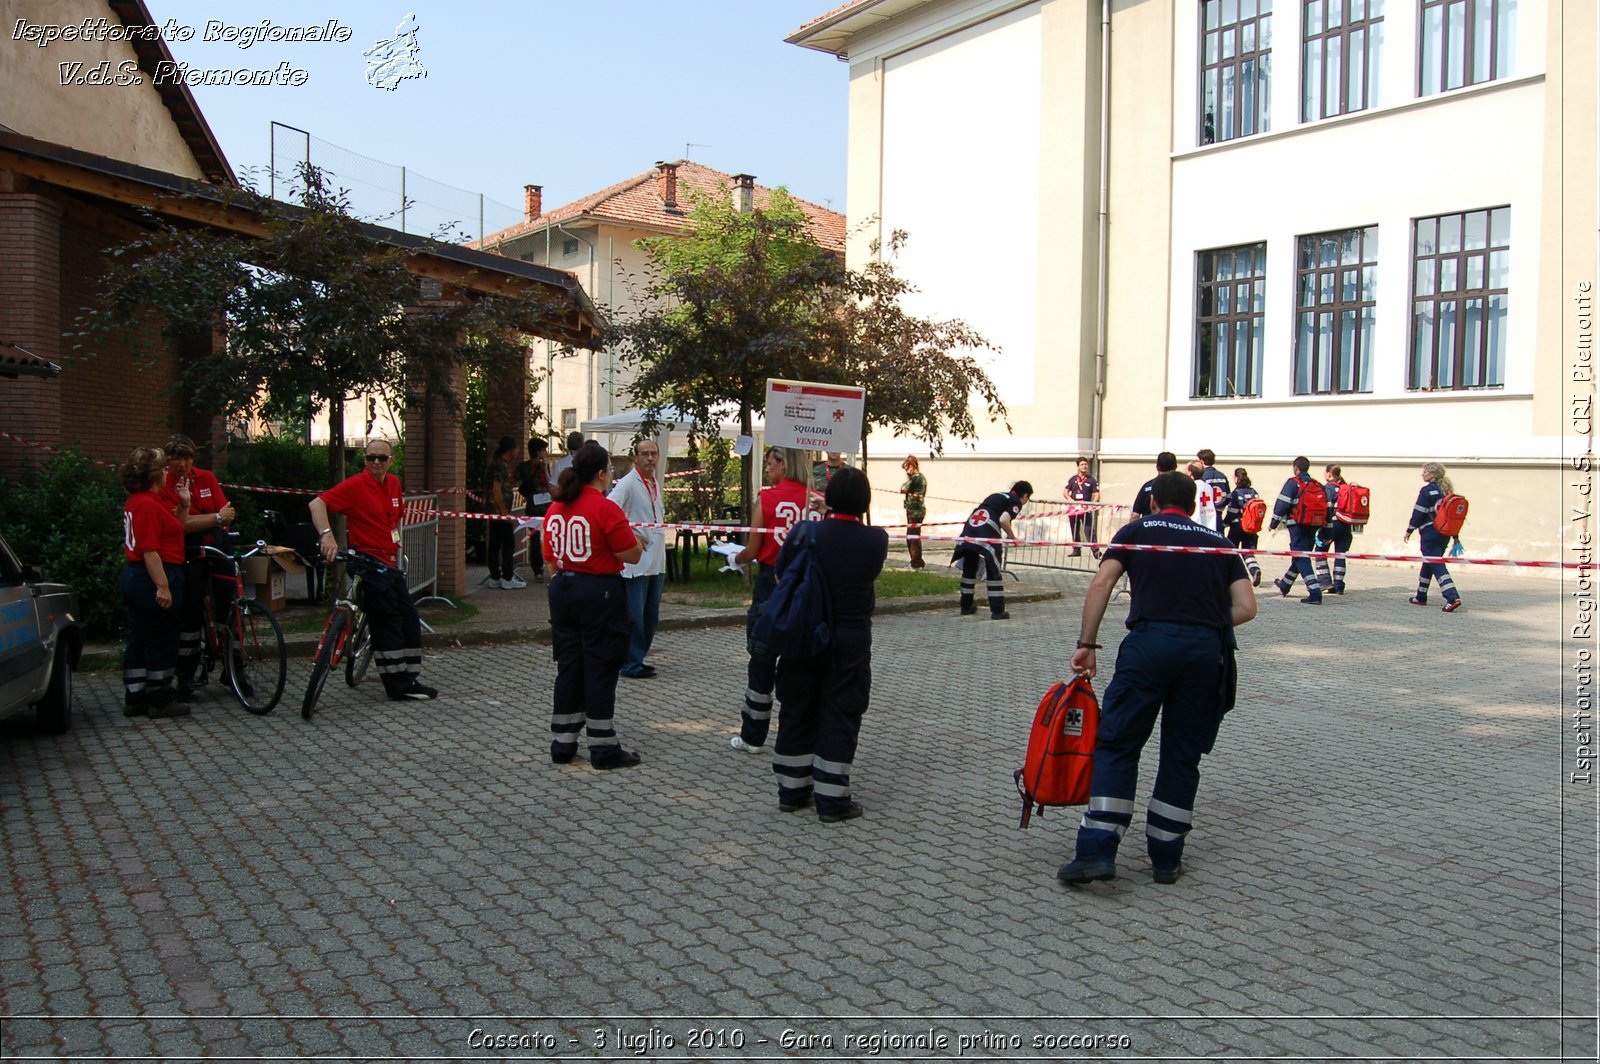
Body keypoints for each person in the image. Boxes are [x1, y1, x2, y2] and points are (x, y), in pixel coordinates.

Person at [1056, 471, 1257, 886]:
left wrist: (1087, 645)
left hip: (1147, 648)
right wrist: (1204, 625)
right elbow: (1247, 606)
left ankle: (1097, 851)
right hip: (1205, 654)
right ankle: (1166, 858)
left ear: (1152, 501)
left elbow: (1101, 584)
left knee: (1118, 743)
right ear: (1192, 504)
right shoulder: (1219, 544)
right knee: (1182, 754)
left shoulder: (1135, 531)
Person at [771, 467, 889, 822]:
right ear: (865, 501)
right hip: (849, 641)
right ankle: (832, 799)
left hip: (803, 632)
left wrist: (820, 517)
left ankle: (791, 791)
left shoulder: (806, 531)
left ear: (830, 496)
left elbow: (781, 574)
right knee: (841, 713)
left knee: (797, 708)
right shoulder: (876, 541)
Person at [309, 439, 438, 701]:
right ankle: (397, 685)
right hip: (367, 561)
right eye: (371, 458)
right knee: (387, 620)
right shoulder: (356, 485)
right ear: (365, 460)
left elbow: (395, 518)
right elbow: (316, 504)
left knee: (409, 617)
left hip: (390, 563)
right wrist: (327, 536)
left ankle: (409, 675)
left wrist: (395, 546)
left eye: (382, 458)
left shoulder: (393, 484)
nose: (376, 463)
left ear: (391, 460)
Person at [543, 441, 645, 768]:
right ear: (601, 474)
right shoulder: (604, 508)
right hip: (599, 592)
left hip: (562, 589)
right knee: (601, 667)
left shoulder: (556, 508)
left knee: (570, 666)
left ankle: (563, 741)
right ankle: (603, 748)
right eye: (610, 471)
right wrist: (636, 541)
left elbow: (549, 560)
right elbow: (629, 554)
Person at [729, 446, 817, 754]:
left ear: (783, 464)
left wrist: (734, 558)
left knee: (762, 659)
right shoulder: (815, 500)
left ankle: (753, 735)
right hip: (806, 584)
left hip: (771, 583)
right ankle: (797, 733)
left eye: (769, 464)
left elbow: (752, 550)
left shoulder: (766, 499)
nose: (767, 470)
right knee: (800, 659)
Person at [157, 434, 237, 695]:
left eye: (187, 457)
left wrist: (211, 519)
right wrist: (214, 517)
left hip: (218, 545)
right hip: (188, 549)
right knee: (190, 611)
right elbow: (182, 524)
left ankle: (234, 668)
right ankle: (186, 674)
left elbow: (228, 513)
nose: (182, 463)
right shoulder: (164, 483)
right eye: (176, 458)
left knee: (230, 604)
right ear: (168, 461)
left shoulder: (206, 478)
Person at [121, 446, 190, 718]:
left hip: (136, 576)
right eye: (163, 468)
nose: (166, 472)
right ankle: (160, 697)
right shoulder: (148, 505)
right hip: (152, 575)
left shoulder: (140, 501)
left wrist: (184, 503)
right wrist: (163, 586)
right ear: (153, 474)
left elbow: (174, 527)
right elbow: (150, 550)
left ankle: (136, 694)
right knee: (162, 636)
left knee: (139, 636)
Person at [609, 437, 666, 679]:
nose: (650, 458)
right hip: (637, 561)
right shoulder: (628, 483)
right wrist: (629, 534)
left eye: (653, 453)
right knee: (635, 616)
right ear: (635, 457)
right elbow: (609, 509)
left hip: (656, 560)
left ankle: (638, 658)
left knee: (650, 615)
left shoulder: (654, 482)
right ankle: (630, 662)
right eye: (645, 454)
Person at [953, 481, 1033, 620]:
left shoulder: (997, 495)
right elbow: (1003, 520)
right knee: (993, 569)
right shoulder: (1016, 501)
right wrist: (1013, 537)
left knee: (969, 567)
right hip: (987, 532)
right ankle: (997, 611)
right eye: (1028, 498)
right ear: (1025, 495)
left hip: (971, 528)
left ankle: (966, 606)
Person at [1405, 461, 1464, 612]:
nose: (1422, 474)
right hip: (1444, 534)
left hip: (1429, 533)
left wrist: (1410, 529)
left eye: (1425, 472)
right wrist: (1455, 536)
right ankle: (1421, 596)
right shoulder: (1447, 490)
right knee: (1429, 561)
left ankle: (1452, 597)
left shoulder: (1427, 491)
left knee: (1436, 564)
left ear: (1432, 474)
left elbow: (1419, 512)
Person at [1269, 456, 1324, 605]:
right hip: (1313, 526)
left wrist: (1274, 523)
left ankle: (1315, 592)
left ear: (1296, 468)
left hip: (1297, 526)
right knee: (1300, 556)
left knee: (1301, 557)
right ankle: (1285, 585)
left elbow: (1282, 504)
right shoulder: (1317, 484)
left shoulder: (1293, 483)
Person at [484, 435, 525, 590]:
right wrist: (503, 511)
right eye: (516, 449)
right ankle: (507, 577)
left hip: (494, 511)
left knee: (494, 543)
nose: (517, 452)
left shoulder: (499, 464)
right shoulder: (499, 465)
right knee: (508, 543)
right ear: (511, 449)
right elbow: (496, 489)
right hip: (499, 511)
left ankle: (495, 576)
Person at [514, 438, 551, 583]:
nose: (546, 452)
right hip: (533, 506)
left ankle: (551, 565)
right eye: (543, 449)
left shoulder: (545, 466)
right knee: (534, 538)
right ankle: (537, 569)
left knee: (550, 536)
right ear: (537, 451)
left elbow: (550, 484)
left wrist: (546, 468)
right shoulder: (524, 467)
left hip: (547, 505)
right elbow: (516, 481)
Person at [1220, 467, 1263, 587]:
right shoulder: (1254, 492)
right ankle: (1255, 570)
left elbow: (1232, 511)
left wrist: (1225, 522)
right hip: (1251, 527)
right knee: (1247, 552)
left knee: (1229, 551)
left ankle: (1227, 577)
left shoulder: (1236, 493)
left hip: (1237, 526)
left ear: (1236, 478)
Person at [1314, 464, 1352, 595]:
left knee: (1320, 552)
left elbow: (1326, 509)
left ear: (1329, 474)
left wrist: (1322, 529)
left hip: (1333, 524)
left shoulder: (1328, 488)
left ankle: (1324, 582)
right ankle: (1339, 584)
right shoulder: (1345, 487)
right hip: (1346, 525)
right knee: (1340, 554)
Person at [1063, 457, 1101, 559]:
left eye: (1086, 464)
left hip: (1085, 509)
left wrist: (1092, 504)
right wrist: (1071, 500)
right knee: (1074, 529)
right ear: (1078, 466)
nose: (1085, 466)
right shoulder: (1073, 479)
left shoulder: (1091, 480)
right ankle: (1076, 550)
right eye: (1082, 464)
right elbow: (1065, 492)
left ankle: (1096, 551)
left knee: (1089, 530)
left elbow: (1097, 494)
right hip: (1074, 509)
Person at [899, 455, 927, 569]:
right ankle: (914, 561)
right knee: (910, 536)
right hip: (912, 510)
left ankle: (917, 563)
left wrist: (909, 480)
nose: (906, 471)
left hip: (916, 511)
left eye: (906, 468)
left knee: (913, 537)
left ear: (912, 466)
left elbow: (903, 489)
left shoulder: (916, 478)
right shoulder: (914, 478)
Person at [1131, 452, 1178, 518]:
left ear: (1157, 467)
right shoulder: (1181, 487)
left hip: (1149, 526)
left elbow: (1135, 515)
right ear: (1175, 467)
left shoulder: (1147, 487)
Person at [1186, 461, 1221, 532]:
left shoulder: (1191, 487)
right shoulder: (1208, 487)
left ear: (1190, 472)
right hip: (1210, 526)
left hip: (1196, 526)